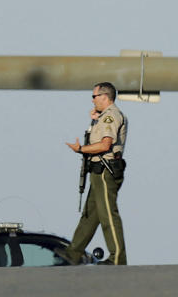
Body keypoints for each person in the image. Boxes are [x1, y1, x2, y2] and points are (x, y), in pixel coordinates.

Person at [58, 82, 128, 265]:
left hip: (106, 170)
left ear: (105, 97)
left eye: (94, 96)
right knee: (90, 215)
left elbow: (105, 144)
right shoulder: (103, 117)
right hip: (98, 170)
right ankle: (73, 252)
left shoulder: (111, 116)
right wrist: (95, 120)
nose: (92, 100)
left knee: (107, 215)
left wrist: (81, 149)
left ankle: (118, 258)